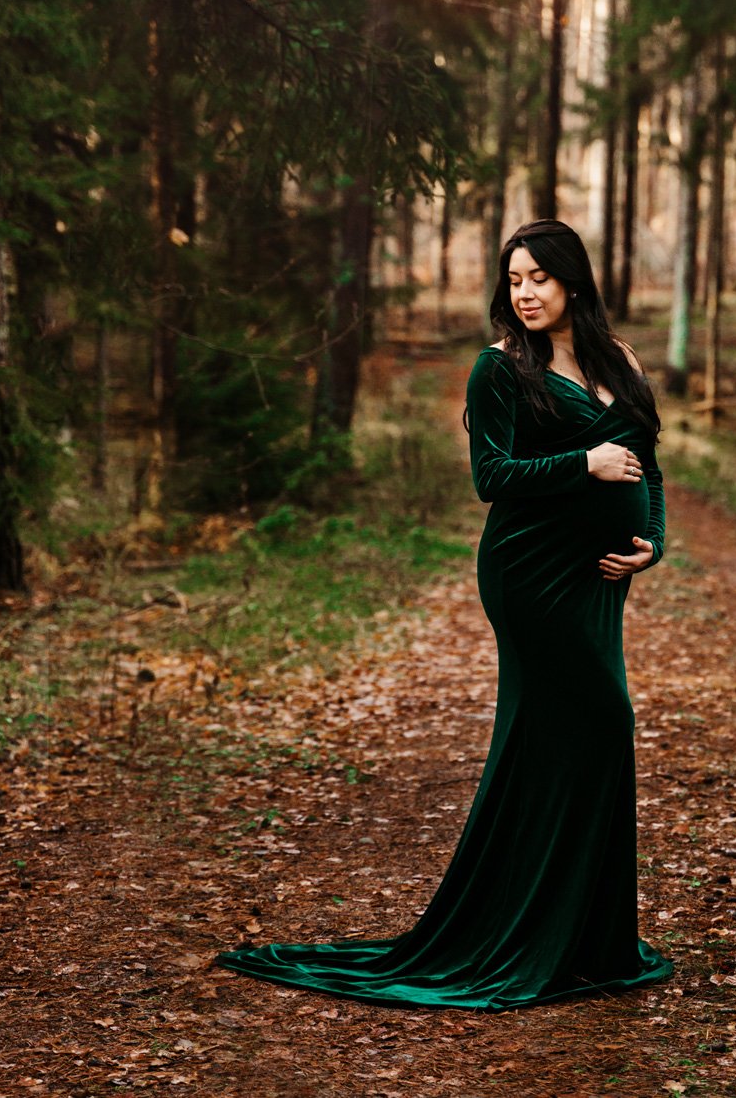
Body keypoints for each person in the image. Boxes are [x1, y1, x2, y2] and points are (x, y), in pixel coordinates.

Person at [214, 218, 673, 1009]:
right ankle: (524, 930)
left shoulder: (618, 359)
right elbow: (493, 475)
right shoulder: (498, 370)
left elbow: (650, 464)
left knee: (575, 739)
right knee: (603, 717)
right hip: (530, 577)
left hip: (598, 582)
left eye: (539, 278)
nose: (525, 293)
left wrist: (653, 542)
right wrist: (584, 463)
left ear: (573, 282)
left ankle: (585, 937)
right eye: (515, 279)